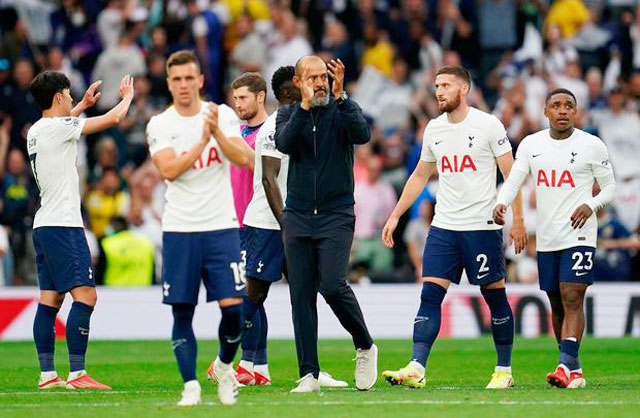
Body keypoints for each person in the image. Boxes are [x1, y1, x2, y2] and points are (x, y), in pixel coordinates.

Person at [381, 66, 527, 390]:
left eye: (446, 85)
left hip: (481, 227)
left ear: (464, 89)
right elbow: (420, 175)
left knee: (495, 298)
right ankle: (417, 366)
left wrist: (518, 219)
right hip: (444, 226)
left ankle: (504, 369)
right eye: (436, 86)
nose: (439, 92)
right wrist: (394, 215)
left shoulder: (488, 125)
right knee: (430, 295)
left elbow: (511, 172)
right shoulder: (434, 129)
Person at [146, 50, 253, 406]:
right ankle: (190, 384)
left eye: (189, 78)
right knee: (182, 311)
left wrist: (216, 135)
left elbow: (245, 159)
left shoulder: (221, 114)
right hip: (180, 229)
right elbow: (170, 170)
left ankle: (224, 365)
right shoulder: (160, 124)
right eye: (176, 79)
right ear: (169, 84)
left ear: (201, 80)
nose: (183, 85)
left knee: (235, 310)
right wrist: (201, 141)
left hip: (222, 226)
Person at [494, 88, 616, 389]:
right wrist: (501, 203)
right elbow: (515, 179)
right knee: (557, 303)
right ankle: (574, 371)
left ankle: (563, 365)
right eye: (556, 105)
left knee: (572, 296)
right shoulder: (531, 144)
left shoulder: (592, 145)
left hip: (580, 234)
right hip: (547, 238)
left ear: (576, 112)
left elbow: (610, 187)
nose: (563, 110)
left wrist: (592, 204)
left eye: (569, 106)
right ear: (546, 111)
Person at [237, 65, 347, 388]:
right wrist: (288, 225)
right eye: (307, 83)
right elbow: (269, 180)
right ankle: (225, 360)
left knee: (305, 296)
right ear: (292, 91)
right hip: (267, 223)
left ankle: (310, 369)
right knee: (255, 294)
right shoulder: (274, 126)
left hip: (291, 222)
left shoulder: (303, 123)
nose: (315, 88)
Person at [275, 56, 378, 393]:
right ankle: (309, 374)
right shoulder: (289, 113)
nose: (320, 82)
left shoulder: (343, 107)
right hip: (298, 215)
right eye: (313, 78)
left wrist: (342, 96)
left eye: (324, 76)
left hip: (335, 214)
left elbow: (362, 135)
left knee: (332, 285)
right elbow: (285, 145)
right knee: (300, 295)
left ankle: (364, 345)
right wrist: (304, 107)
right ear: (299, 81)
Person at [27, 71, 133, 390]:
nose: (73, 98)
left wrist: (83, 105)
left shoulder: (37, 130)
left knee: (50, 299)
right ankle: (77, 373)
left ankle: (48, 375)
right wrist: (127, 96)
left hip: (44, 223)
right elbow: (114, 119)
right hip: (64, 224)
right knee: (86, 295)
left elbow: (63, 126)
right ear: (58, 96)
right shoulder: (57, 128)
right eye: (69, 94)